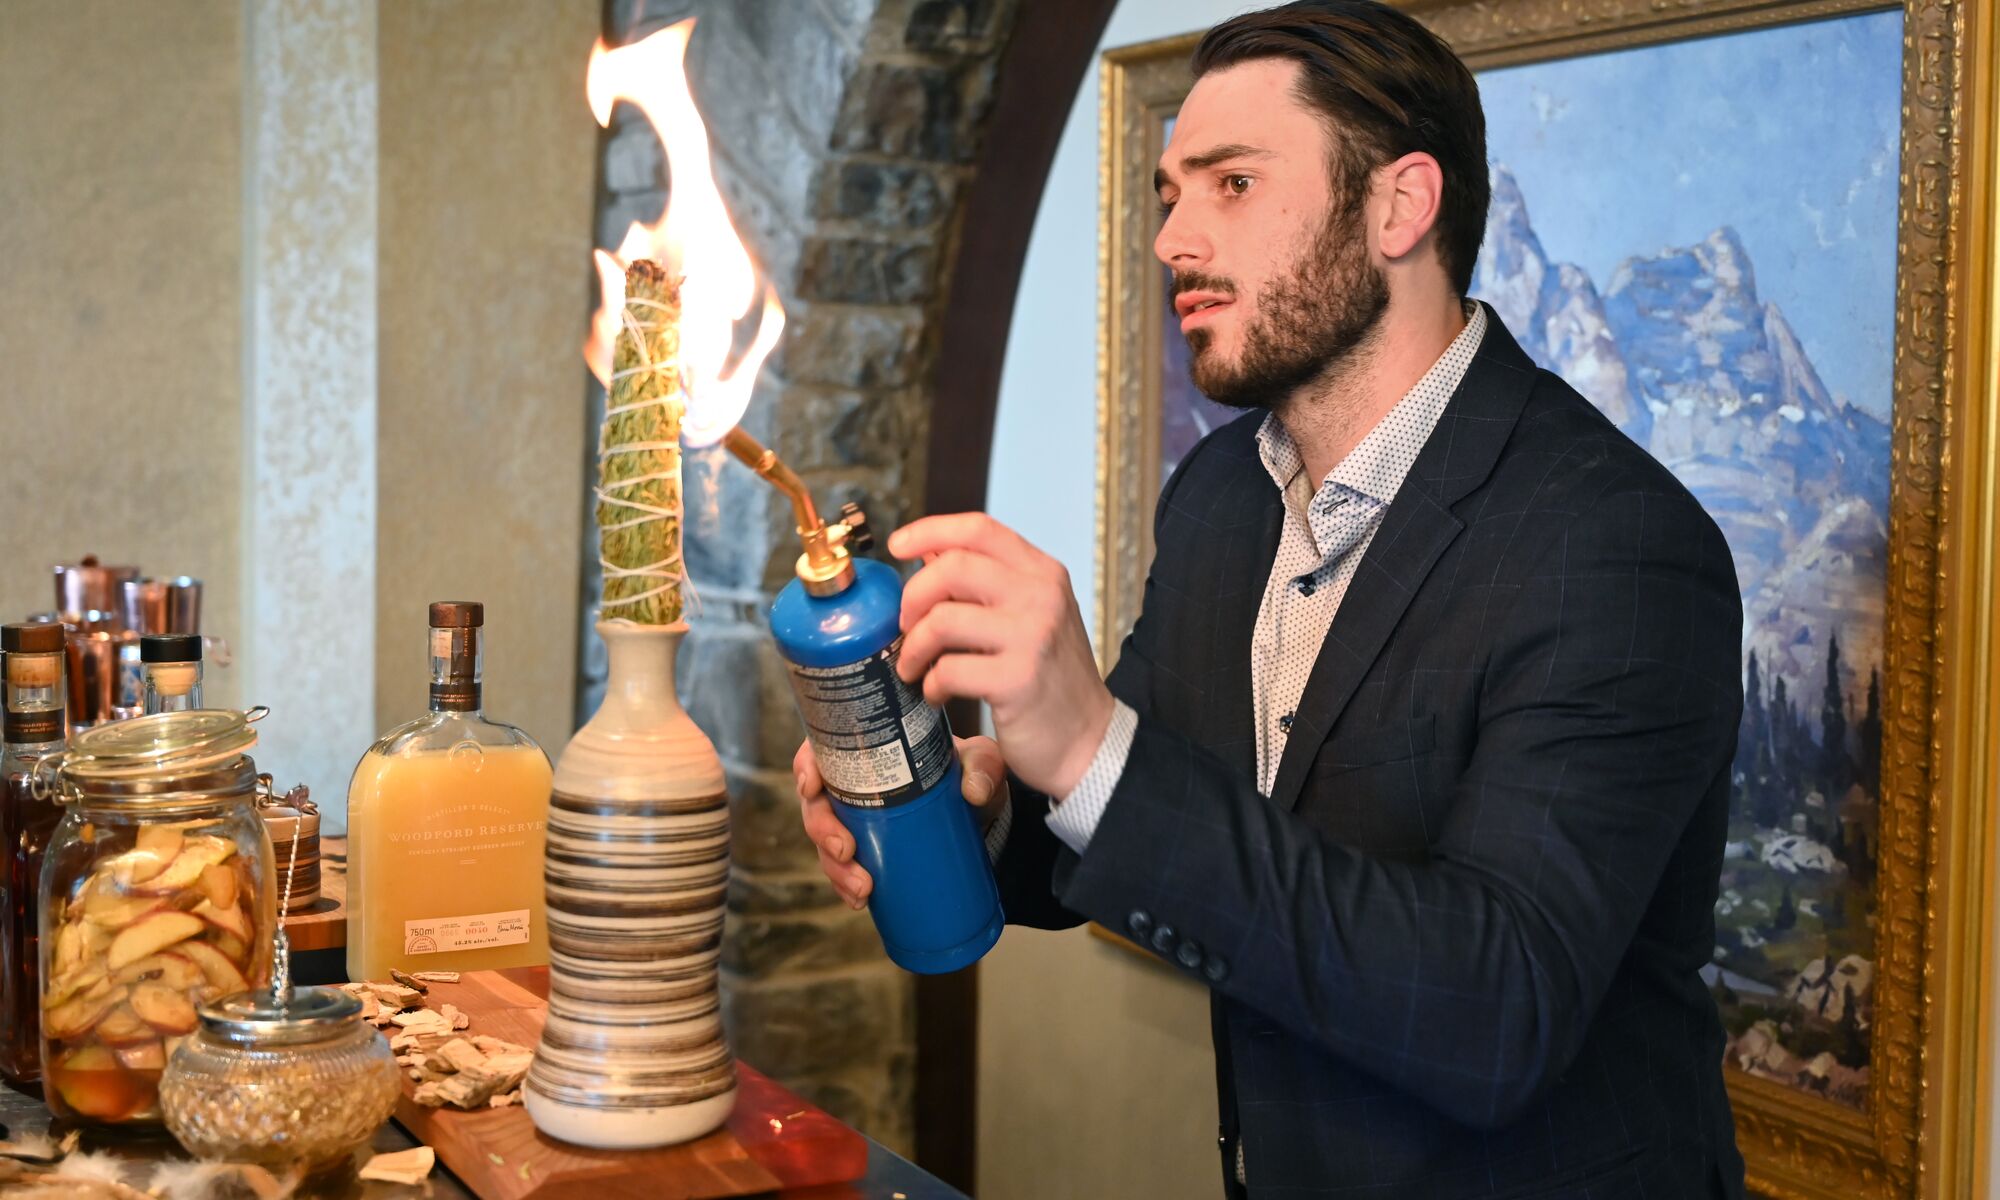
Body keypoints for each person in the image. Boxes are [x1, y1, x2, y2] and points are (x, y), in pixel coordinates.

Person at [793, 2, 1747, 1195]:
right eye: (1167, 194)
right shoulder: (1220, 499)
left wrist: (1090, 744)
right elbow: (1141, 812)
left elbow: (1494, 1010)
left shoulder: (1616, 545)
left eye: (1230, 185)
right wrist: (973, 803)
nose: (1173, 241)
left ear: (1399, 205)